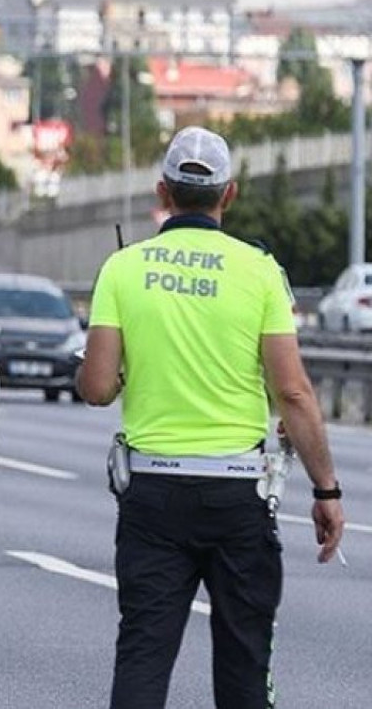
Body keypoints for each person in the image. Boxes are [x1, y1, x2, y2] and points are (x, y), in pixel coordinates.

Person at [78, 126, 345, 709]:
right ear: (229, 195)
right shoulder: (259, 272)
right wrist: (327, 488)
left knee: (144, 655)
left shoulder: (124, 268)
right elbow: (294, 394)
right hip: (236, 499)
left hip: (152, 495)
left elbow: (96, 387)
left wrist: (120, 372)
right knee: (245, 661)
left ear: (163, 192)